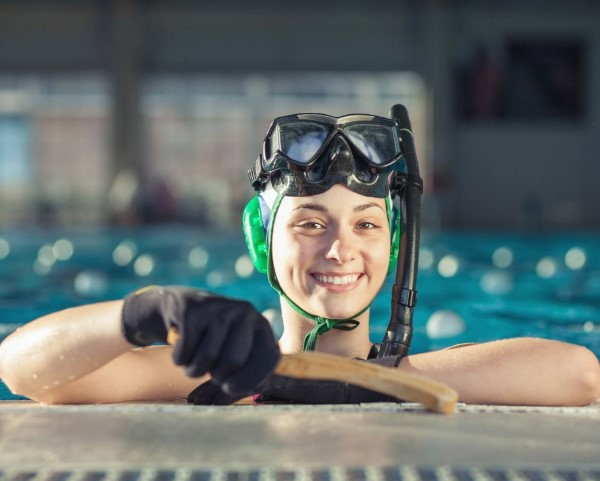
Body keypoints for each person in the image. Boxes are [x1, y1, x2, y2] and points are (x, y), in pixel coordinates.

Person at [0, 107, 599, 407]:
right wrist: (142, 315)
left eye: (366, 224)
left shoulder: (416, 376)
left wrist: (367, 382)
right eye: (310, 222)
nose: (340, 249)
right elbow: (23, 371)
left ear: (393, 244)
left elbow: (580, 374)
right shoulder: (213, 377)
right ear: (262, 241)